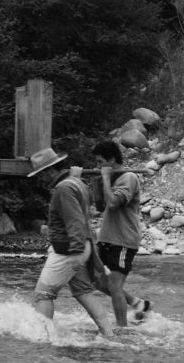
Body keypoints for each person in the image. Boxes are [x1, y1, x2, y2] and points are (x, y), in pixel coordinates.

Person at [28, 147, 115, 338]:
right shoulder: (76, 182)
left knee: (43, 295)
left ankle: (46, 338)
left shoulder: (63, 188)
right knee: (84, 291)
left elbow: (75, 220)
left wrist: (75, 252)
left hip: (69, 250)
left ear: (49, 171)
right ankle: (109, 335)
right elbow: (88, 209)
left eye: (40, 175)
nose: (40, 180)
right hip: (83, 245)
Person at [85, 140, 151, 327]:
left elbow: (114, 203)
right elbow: (100, 206)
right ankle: (138, 304)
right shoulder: (111, 177)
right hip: (106, 238)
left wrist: (106, 178)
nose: (97, 166)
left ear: (112, 160)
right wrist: (97, 182)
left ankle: (122, 329)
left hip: (123, 240)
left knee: (115, 286)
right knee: (95, 280)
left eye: (100, 162)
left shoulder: (128, 177)